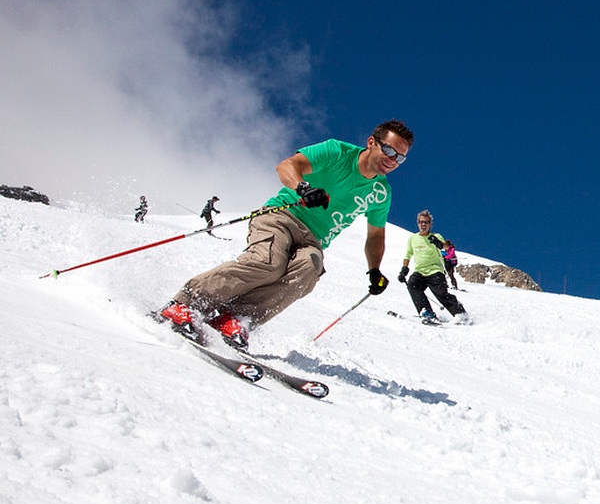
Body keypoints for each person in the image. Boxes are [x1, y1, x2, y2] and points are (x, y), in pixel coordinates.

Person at [157, 120, 414, 350]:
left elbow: (375, 235)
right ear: (372, 142)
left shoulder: (381, 192)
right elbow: (287, 166)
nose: (392, 160)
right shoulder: (337, 152)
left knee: (308, 272)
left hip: (313, 240)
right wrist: (303, 188)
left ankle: (233, 318)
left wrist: (374, 270)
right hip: (282, 217)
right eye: (389, 150)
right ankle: (186, 303)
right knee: (268, 263)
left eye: (400, 158)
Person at [399, 210, 470, 324]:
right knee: (412, 285)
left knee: (441, 293)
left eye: (426, 222)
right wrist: (404, 269)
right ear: (418, 223)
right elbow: (408, 254)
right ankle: (427, 312)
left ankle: (460, 314)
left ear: (430, 224)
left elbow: (447, 247)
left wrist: (438, 242)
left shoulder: (435, 236)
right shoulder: (413, 238)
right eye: (421, 222)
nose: (423, 224)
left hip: (435, 271)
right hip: (420, 271)